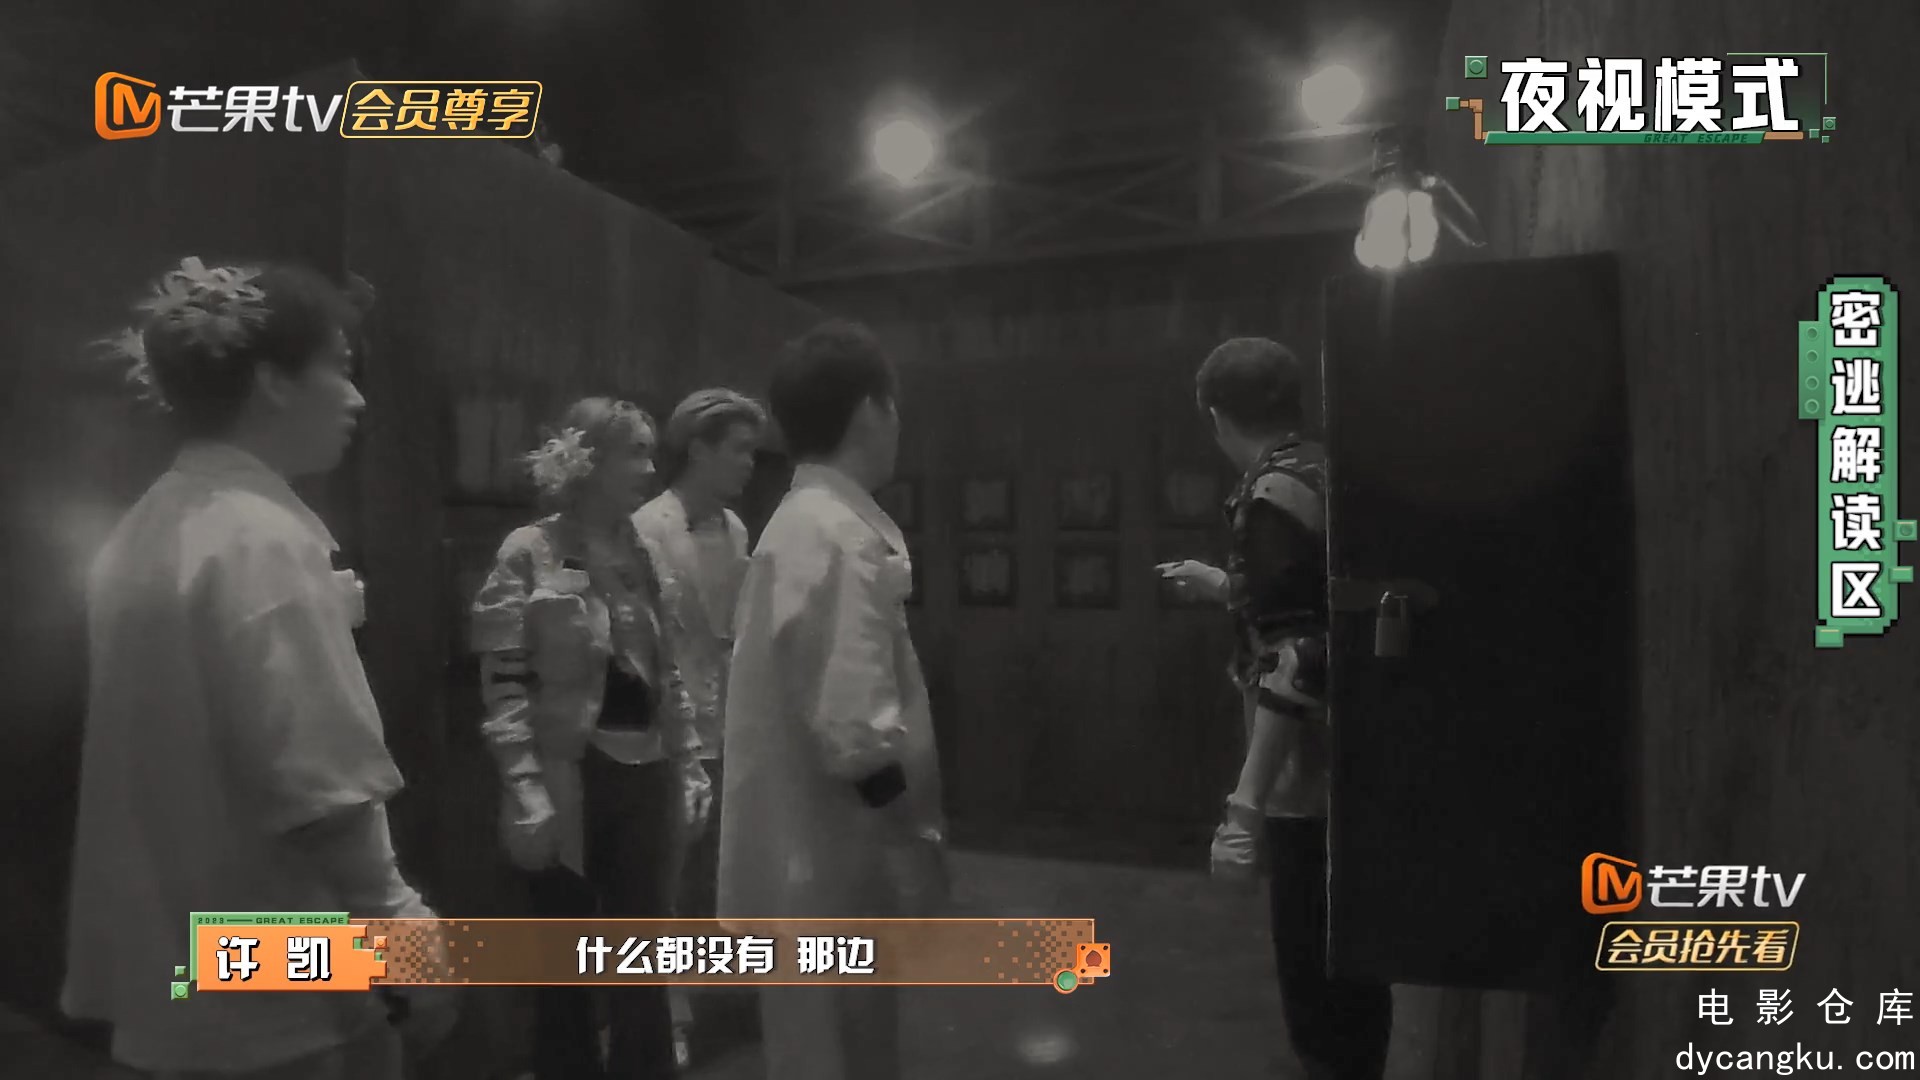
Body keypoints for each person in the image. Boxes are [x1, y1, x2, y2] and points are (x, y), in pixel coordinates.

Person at [63, 257, 455, 1080]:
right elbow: (322, 787)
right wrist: (410, 947)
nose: (356, 398)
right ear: (273, 382)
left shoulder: (145, 527)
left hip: (175, 976)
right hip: (286, 1001)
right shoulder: (262, 537)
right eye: (339, 368)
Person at [717, 320, 948, 1080]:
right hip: (835, 860)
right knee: (843, 1053)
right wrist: (910, 839)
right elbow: (854, 731)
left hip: (814, 857)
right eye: (894, 405)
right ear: (872, 409)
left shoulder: (804, 523)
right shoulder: (837, 535)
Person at [1159, 337, 1392, 1080]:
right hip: (1364, 759)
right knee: (1354, 974)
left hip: (1311, 778)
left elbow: (1298, 657)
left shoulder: (1271, 494)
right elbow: (1321, 602)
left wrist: (1245, 808)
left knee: (1319, 990)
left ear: (1216, 417)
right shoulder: (1323, 469)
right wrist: (1227, 586)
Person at [470, 396, 711, 1079]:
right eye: (635, 452)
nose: (651, 469)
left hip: (647, 770)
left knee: (646, 952)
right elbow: (504, 680)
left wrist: (690, 763)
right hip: (570, 775)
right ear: (588, 460)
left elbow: (669, 671)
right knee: (564, 958)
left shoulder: (645, 553)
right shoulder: (529, 552)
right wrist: (523, 783)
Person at [631, 388, 765, 1066]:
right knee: (670, 876)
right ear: (699, 450)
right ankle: (670, 1015)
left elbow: (739, 624)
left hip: (729, 719)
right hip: (669, 724)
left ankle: (726, 997)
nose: (749, 463)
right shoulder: (648, 527)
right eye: (738, 449)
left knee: (721, 869)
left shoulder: (736, 530)